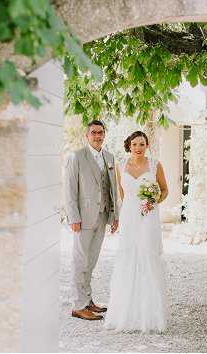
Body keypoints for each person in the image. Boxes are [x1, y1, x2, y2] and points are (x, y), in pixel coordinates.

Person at [104, 130, 170, 332]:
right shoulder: (120, 166)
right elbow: (123, 194)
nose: (138, 148)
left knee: (147, 256)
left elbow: (165, 190)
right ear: (129, 146)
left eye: (142, 144)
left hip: (148, 217)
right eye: (134, 144)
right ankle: (125, 313)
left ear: (147, 145)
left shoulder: (155, 164)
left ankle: (150, 316)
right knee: (128, 257)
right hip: (130, 216)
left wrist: (152, 201)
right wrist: (129, 211)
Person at [64, 120, 119, 321]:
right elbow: (69, 190)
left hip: (103, 216)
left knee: (91, 261)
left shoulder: (110, 157)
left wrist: (114, 215)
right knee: (80, 261)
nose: (98, 135)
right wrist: (73, 217)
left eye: (101, 132)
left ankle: (87, 300)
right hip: (83, 218)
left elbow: (113, 189)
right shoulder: (76, 157)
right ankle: (78, 305)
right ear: (87, 135)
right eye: (94, 132)